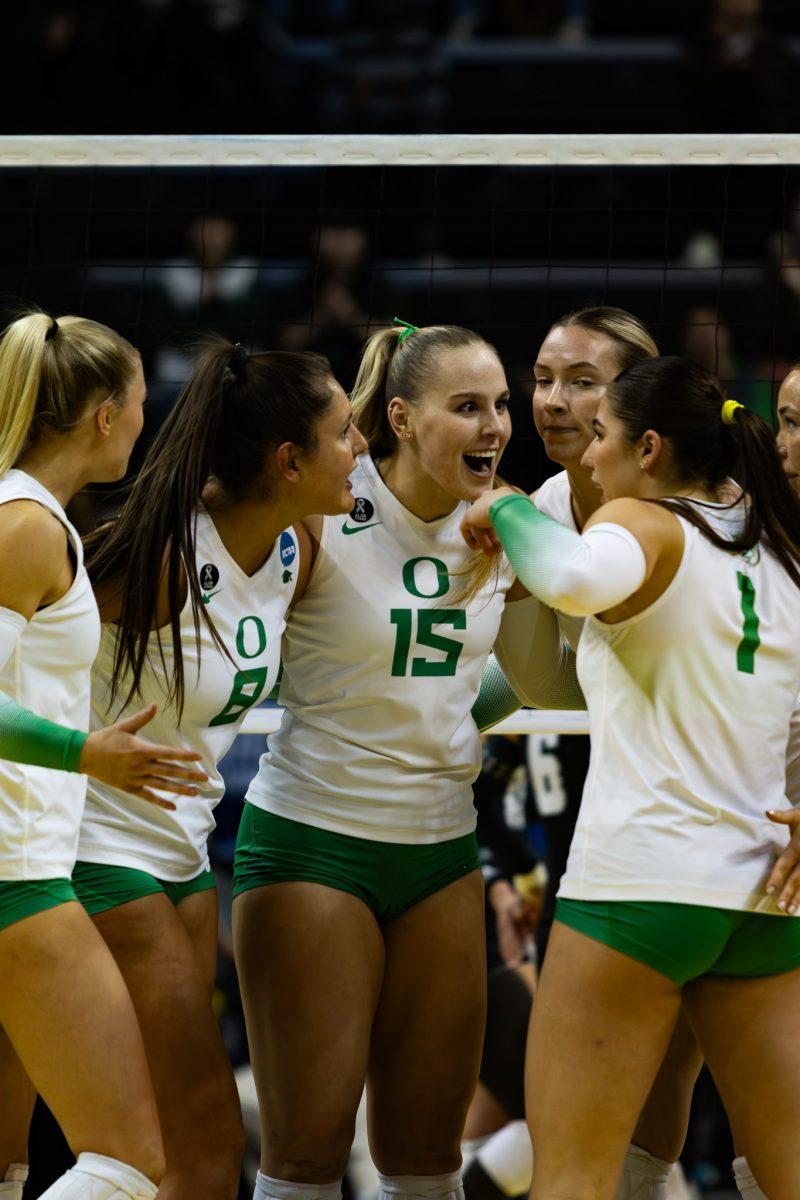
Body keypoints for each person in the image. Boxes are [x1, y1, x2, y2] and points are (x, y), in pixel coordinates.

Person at [232, 320, 583, 1200]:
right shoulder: (324, 509)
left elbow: (541, 676)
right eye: (467, 407)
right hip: (315, 841)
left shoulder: (512, 523)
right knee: (307, 1159)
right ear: (399, 416)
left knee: (429, 1164)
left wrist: (464, 718)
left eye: (501, 405)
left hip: (440, 851)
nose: (496, 426)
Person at [462, 354, 800, 1200]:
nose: (585, 456)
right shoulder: (779, 546)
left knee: (571, 1180)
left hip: (641, 886)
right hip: (764, 897)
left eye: (601, 437)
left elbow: (570, 579)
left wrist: (504, 503)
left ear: (648, 448)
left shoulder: (646, 523)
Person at [74, 340, 367, 1200]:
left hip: (185, 853)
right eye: (346, 434)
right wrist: (70, 753)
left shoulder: (294, 549)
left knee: (160, 1152)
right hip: (97, 850)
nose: (360, 452)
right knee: (201, 1142)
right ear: (287, 462)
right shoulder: (156, 559)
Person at [0, 311, 210, 1200]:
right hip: (15, 870)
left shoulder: (40, 518)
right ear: (101, 415)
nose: (142, 420)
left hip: (23, 860)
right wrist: (83, 751)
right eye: (136, 403)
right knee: (127, 1162)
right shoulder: (27, 528)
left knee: (10, 1163)